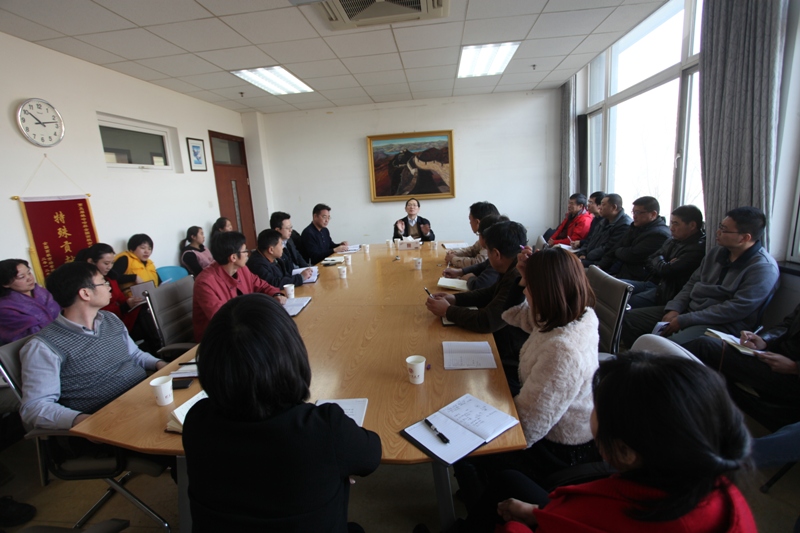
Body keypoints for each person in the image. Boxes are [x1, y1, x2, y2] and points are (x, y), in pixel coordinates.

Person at [183, 293, 382, 532]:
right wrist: (335, 468)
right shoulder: (323, 429)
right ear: (292, 353)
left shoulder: (196, 421)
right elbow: (371, 455)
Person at [493, 352, 755, 533]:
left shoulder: (598, 513)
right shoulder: (721, 491)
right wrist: (541, 514)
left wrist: (516, 526)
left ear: (626, 452)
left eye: (596, 407)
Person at [19, 261, 167, 430]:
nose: (109, 287)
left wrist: (161, 365)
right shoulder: (44, 347)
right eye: (103, 282)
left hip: (147, 397)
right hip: (112, 421)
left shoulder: (110, 319)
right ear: (85, 293)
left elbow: (134, 355)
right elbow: (35, 407)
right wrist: (84, 421)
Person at [622, 206, 779, 348]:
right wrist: (675, 308)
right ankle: (637, 361)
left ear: (745, 238)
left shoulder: (763, 268)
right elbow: (692, 283)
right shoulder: (716, 253)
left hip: (722, 324)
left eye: (724, 230)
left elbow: (736, 309)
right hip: (689, 311)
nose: (717, 232)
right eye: (720, 227)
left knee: (670, 347)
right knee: (630, 319)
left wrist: (686, 319)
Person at [427, 221, 529, 394]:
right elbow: (489, 293)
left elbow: (487, 321)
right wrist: (454, 299)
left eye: (487, 252)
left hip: (510, 361)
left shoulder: (517, 276)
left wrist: (448, 311)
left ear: (496, 254)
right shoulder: (512, 268)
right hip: (505, 345)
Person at [683, 302, 800, 406]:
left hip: (791, 374)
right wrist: (764, 341)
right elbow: (787, 325)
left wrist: (794, 367)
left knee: (705, 346)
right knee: (707, 347)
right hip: (774, 355)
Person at [193, 231, 286, 341]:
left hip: (245, 330)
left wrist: (276, 294)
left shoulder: (242, 269)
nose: (247, 254)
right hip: (218, 339)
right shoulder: (205, 282)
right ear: (233, 257)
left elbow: (261, 285)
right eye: (245, 251)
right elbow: (222, 319)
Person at [624, 205, 706, 309]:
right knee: (616, 287)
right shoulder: (673, 240)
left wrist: (660, 262)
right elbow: (649, 259)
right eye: (671, 223)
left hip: (667, 291)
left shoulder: (697, 248)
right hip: (653, 282)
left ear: (692, 225)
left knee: (627, 301)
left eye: (676, 224)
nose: (671, 228)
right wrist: (663, 262)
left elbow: (666, 271)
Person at [596, 196, 670, 280]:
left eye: (638, 213)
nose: (634, 216)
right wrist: (601, 266)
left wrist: (619, 251)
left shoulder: (659, 234)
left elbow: (631, 255)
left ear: (653, 214)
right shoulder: (636, 226)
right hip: (622, 272)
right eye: (633, 212)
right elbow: (617, 247)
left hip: (640, 279)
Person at [110, 234, 160, 352]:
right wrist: (133, 277)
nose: (147, 251)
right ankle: (158, 349)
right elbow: (112, 277)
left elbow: (158, 280)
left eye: (149, 248)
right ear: (132, 249)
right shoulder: (125, 259)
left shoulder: (149, 263)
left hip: (152, 299)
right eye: (143, 248)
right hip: (135, 303)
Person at [75, 243, 141, 325]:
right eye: (106, 263)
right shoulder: (85, 283)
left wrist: (132, 301)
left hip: (118, 317)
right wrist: (124, 307)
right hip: (102, 323)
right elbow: (97, 312)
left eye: (112, 263)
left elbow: (120, 297)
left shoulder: (110, 278)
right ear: (91, 262)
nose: (109, 267)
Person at [0, 259, 60, 345]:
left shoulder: (42, 292)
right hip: (38, 346)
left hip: (65, 336)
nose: (29, 278)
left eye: (29, 273)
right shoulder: (5, 308)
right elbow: (27, 335)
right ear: (6, 284)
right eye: (21, 277)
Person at [442, 215, 507, 291]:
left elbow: (479, 285)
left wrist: (470, 278)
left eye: (479, 234)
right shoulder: (500, 250)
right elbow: (483, 265)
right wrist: (461, 272)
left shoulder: (498, 258)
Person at [575, 194, 632, 268]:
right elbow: (590, 239)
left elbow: (609, 249)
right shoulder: (603, 221)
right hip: (590, 258)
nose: (599, 207)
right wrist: (582, 253)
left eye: (603, 205)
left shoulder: (624, 225)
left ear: (614, 207)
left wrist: (587, 257)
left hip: (602, 264)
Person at [446, 202, 500, 268]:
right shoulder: (489, 234)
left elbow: (478, 263)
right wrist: (455, 253)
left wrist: (453, 259)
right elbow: (473, 249)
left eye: (470, 219)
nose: (470, 223)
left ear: (477, 222)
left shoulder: (493, 239)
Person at [270, 211, 312, 281]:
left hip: (298, 273)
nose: (291, 230)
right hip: (290, 279)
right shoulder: (274, 247)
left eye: (291, 227)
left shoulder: (289, 239)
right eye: (287, 228)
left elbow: (297, 255)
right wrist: (300, 277)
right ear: (277, 230)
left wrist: (306, 268)